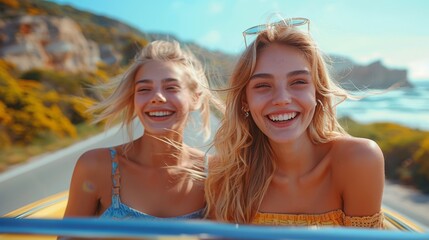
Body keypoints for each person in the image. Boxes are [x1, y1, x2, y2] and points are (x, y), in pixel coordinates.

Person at [205, 17, 385, 228]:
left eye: (298, 82)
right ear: (245, 101)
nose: (282, 98)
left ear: (317, 91)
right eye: (263, 85)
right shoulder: (227, 174)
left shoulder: (358, 160)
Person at [64, 40, 223, 219]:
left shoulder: (215, 173)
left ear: (195, 98)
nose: (157, 97)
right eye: (144, 89)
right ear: (133, 99)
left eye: (171, 87)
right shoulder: (95, 165)